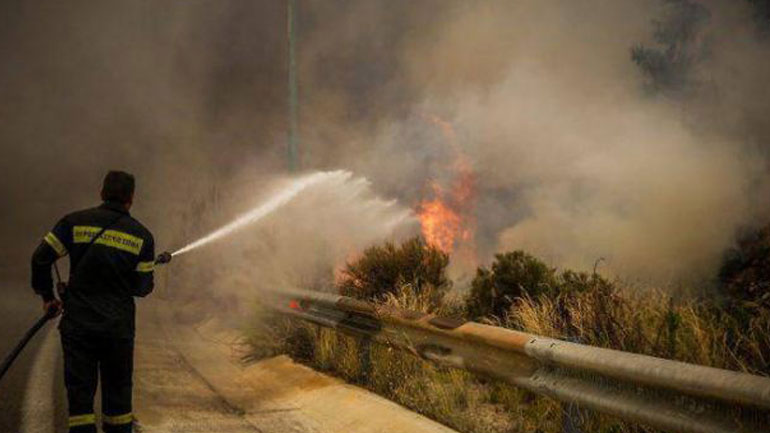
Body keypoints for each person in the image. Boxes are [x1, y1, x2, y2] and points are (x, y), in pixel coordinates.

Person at [31, 170, 155, 433]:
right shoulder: (142, 236)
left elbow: (40, 258)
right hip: (118, 331)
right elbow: (143, 288)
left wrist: (48, 297)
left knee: (80, 400)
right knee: (119, 400)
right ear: (131, 198)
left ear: (101, 192)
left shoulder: (74, 223)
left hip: (78, 327)